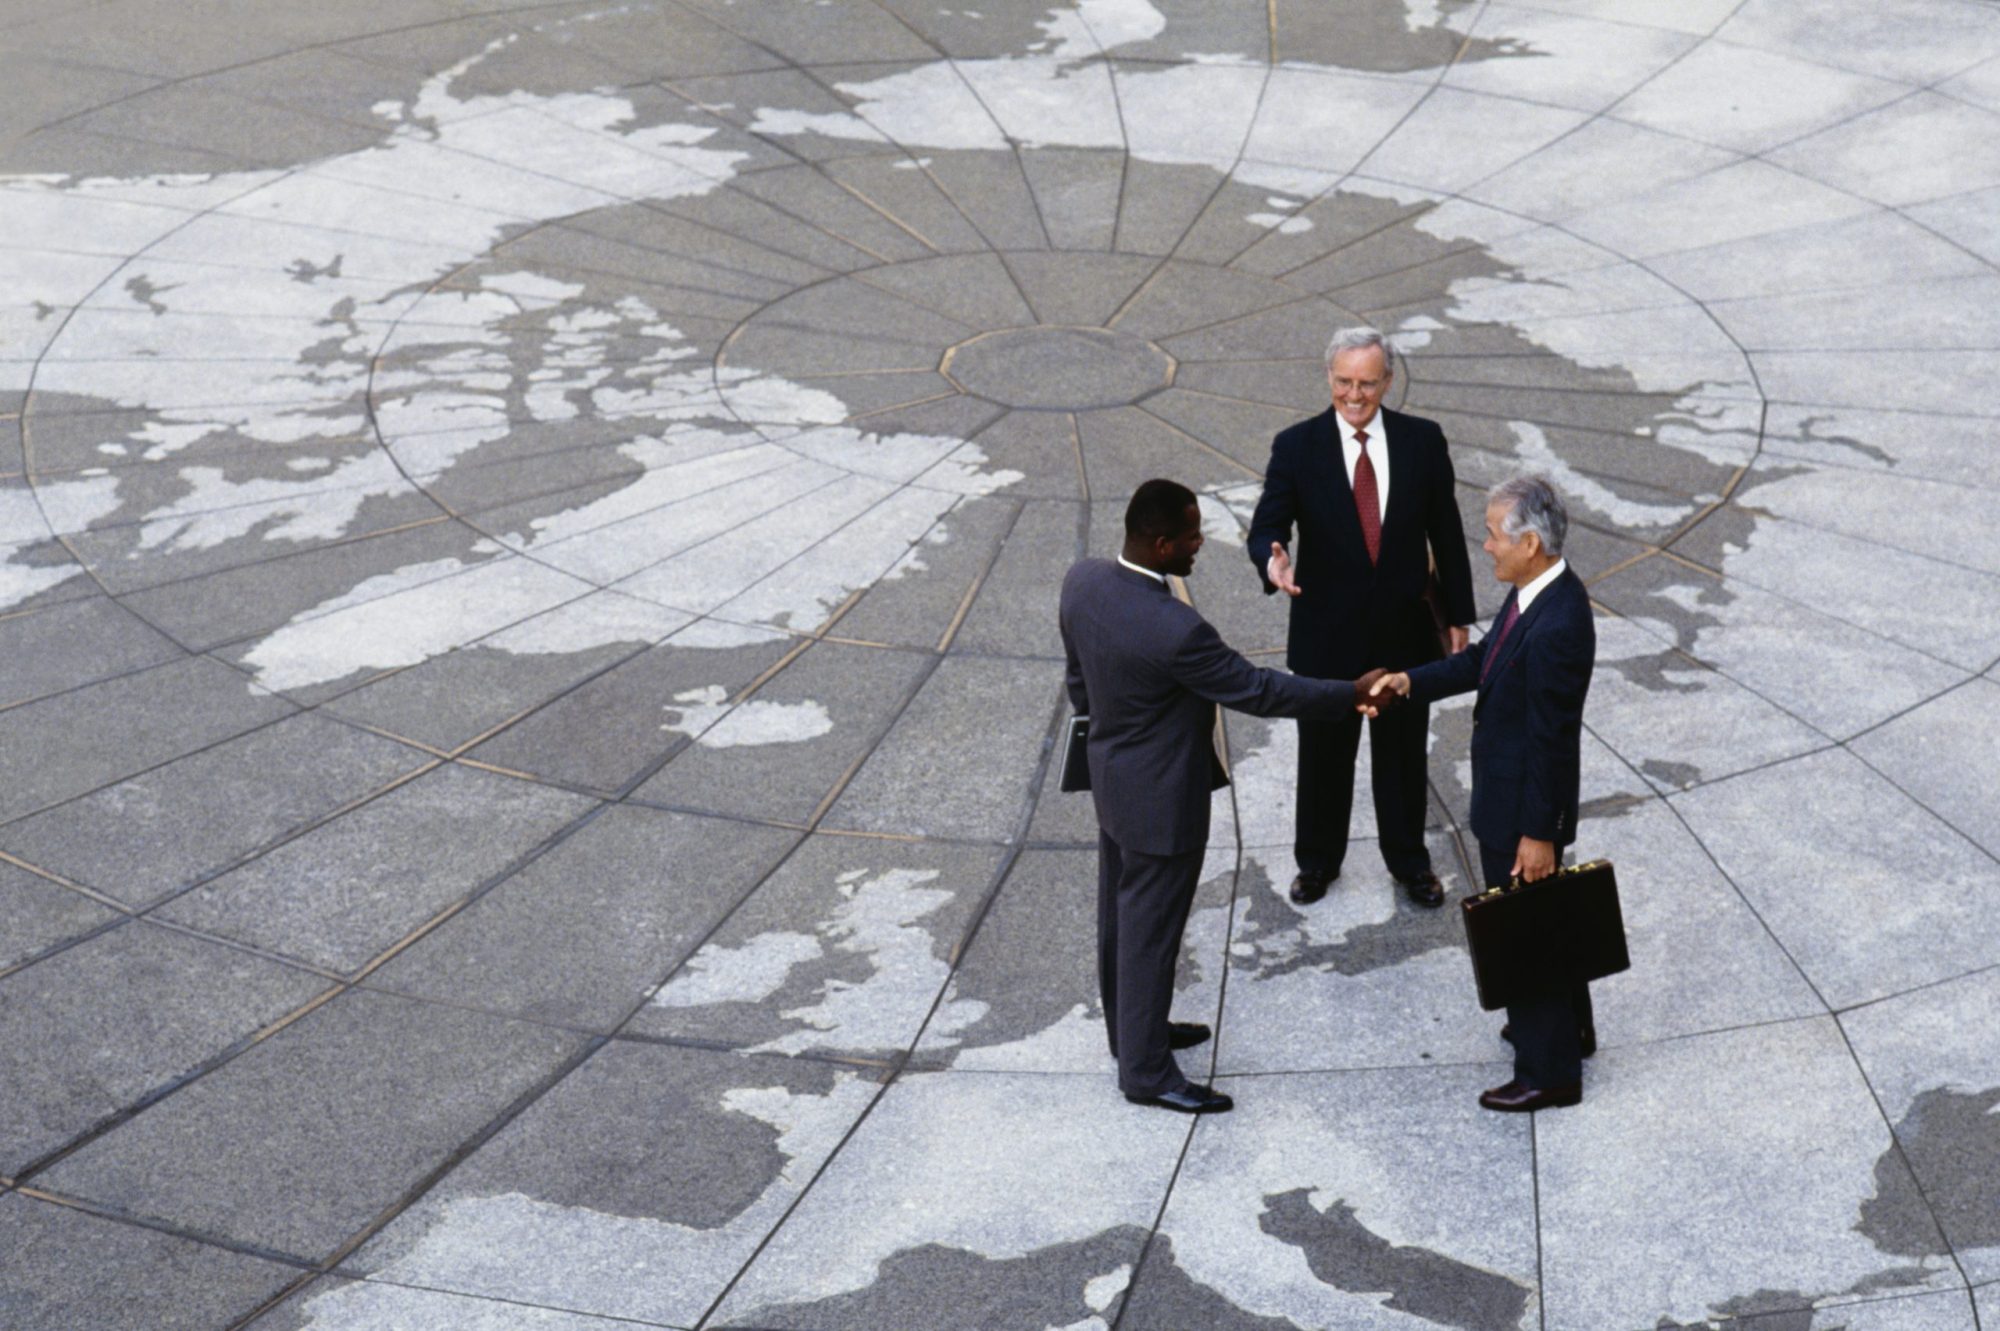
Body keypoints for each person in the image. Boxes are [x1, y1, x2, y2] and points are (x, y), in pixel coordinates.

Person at [1061, 479, 1383, 1115]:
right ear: (1159, 544)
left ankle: (1132, 1034)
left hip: (1114, 781)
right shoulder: (1175, 629)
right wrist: (1351, 692)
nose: (1199, 543)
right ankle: (1147, 1074)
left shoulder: (1084, 581)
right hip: (1162, 802)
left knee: (1121, 919)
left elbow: (1080, 682)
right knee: (1151, 931)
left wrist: (1109, 740)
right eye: (1188, 536)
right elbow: (1260, 690)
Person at [1370, 475, 1596, 1112]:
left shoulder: (1557, 625)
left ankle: (1547, 1072)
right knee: (1544, 922)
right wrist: (1411, 681)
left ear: (1529, 542)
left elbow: (1552, 741)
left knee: (1523, 935)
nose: (1486, 545)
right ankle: (1570, 1030)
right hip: (1511, 798)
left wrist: (1539, 833)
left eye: (1494, 534)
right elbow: (1483, 663)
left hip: (1522, 809)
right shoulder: (1535, 594)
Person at [1246, 325, 1477, 910]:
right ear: (1329, 377)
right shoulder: (1296, 447)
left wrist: (1458, 613)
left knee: (1402, 760)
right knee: (1323, 758)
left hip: (1404, 634)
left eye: (1367, 383)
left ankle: (1409, 863)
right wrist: (1270, 561)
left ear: (1388, 382)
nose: (1355, 395)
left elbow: (1446, 532)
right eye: (1344, 381)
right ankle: (1317, 861)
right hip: (1327, 637)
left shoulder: (1423, 441)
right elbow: (1268, 524)